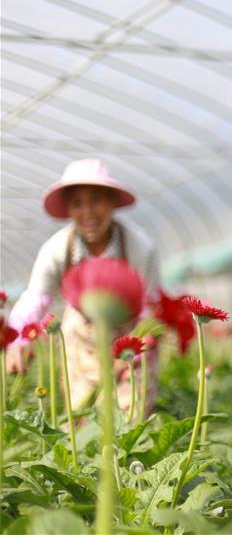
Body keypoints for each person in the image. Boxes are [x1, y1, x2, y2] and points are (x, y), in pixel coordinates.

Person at [6, 158, 161, 415]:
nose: (87, 211)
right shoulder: (56, 250)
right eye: (77, 203)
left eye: (96, 200)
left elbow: (152, 306)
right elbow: (36, 298)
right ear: (68, 209)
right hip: (82, 338)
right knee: (81, 417)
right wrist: (17, 342)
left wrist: (133, 352)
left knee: (131, 415)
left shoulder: (139, 247)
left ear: (112, 202)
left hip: (131, 338)